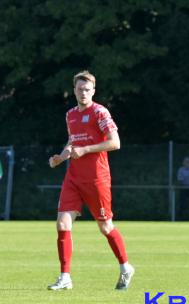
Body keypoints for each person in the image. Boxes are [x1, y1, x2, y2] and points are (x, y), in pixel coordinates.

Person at [47, 70, 135, 291]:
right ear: (74, 90)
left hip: (97, 179)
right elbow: (71, 141)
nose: (83, 93)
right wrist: (61, 157)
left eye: (87, 89)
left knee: (105, 227)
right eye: (79, 89)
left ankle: (125, 267)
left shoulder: (100, 113)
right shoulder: (70, 115)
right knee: (62, 223)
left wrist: (86, 149)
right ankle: (65, 277)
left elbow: (115, 143)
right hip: (73, 178)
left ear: (93, 91)